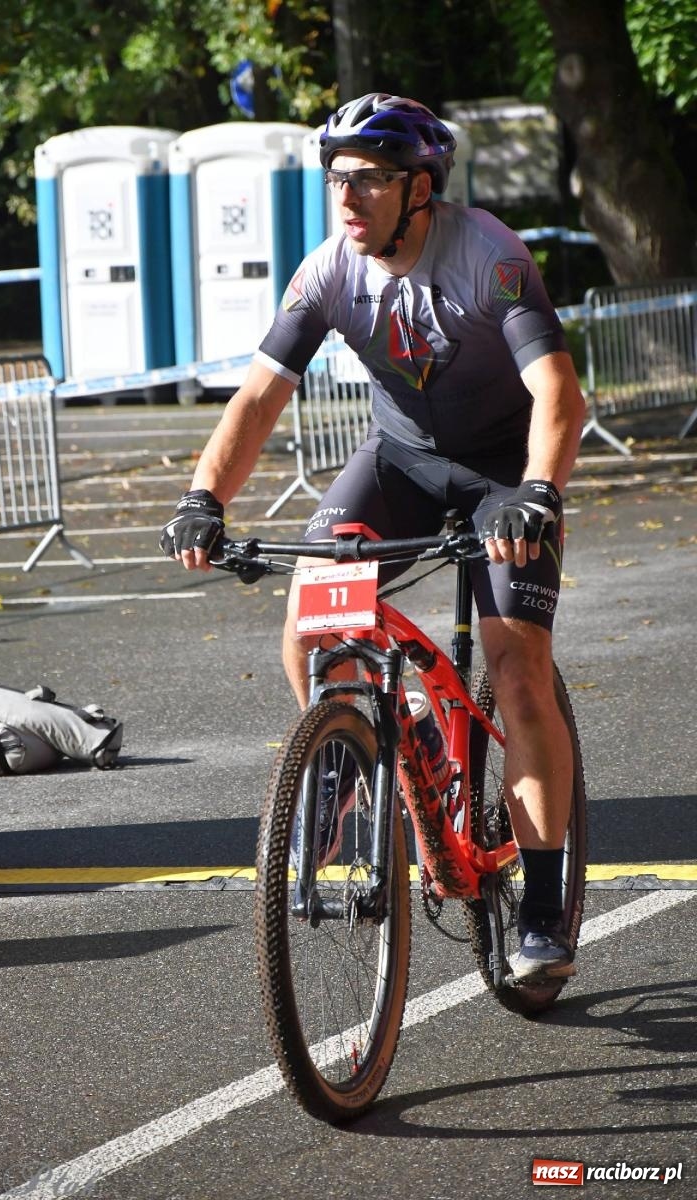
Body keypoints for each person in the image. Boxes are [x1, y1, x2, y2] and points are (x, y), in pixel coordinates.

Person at [160, 93, 586, 982]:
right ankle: (349, 750)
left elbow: (558, 392)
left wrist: (538, 494)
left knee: (518, 672)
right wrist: (205, 498)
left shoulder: (491, 258)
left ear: (420, 187)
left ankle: (543, 901)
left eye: (369, 180)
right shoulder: (326, 274)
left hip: (506, 468)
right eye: (336, 180)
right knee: (312, 617)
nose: (346, 198)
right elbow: (257, 400)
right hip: (400, 459)